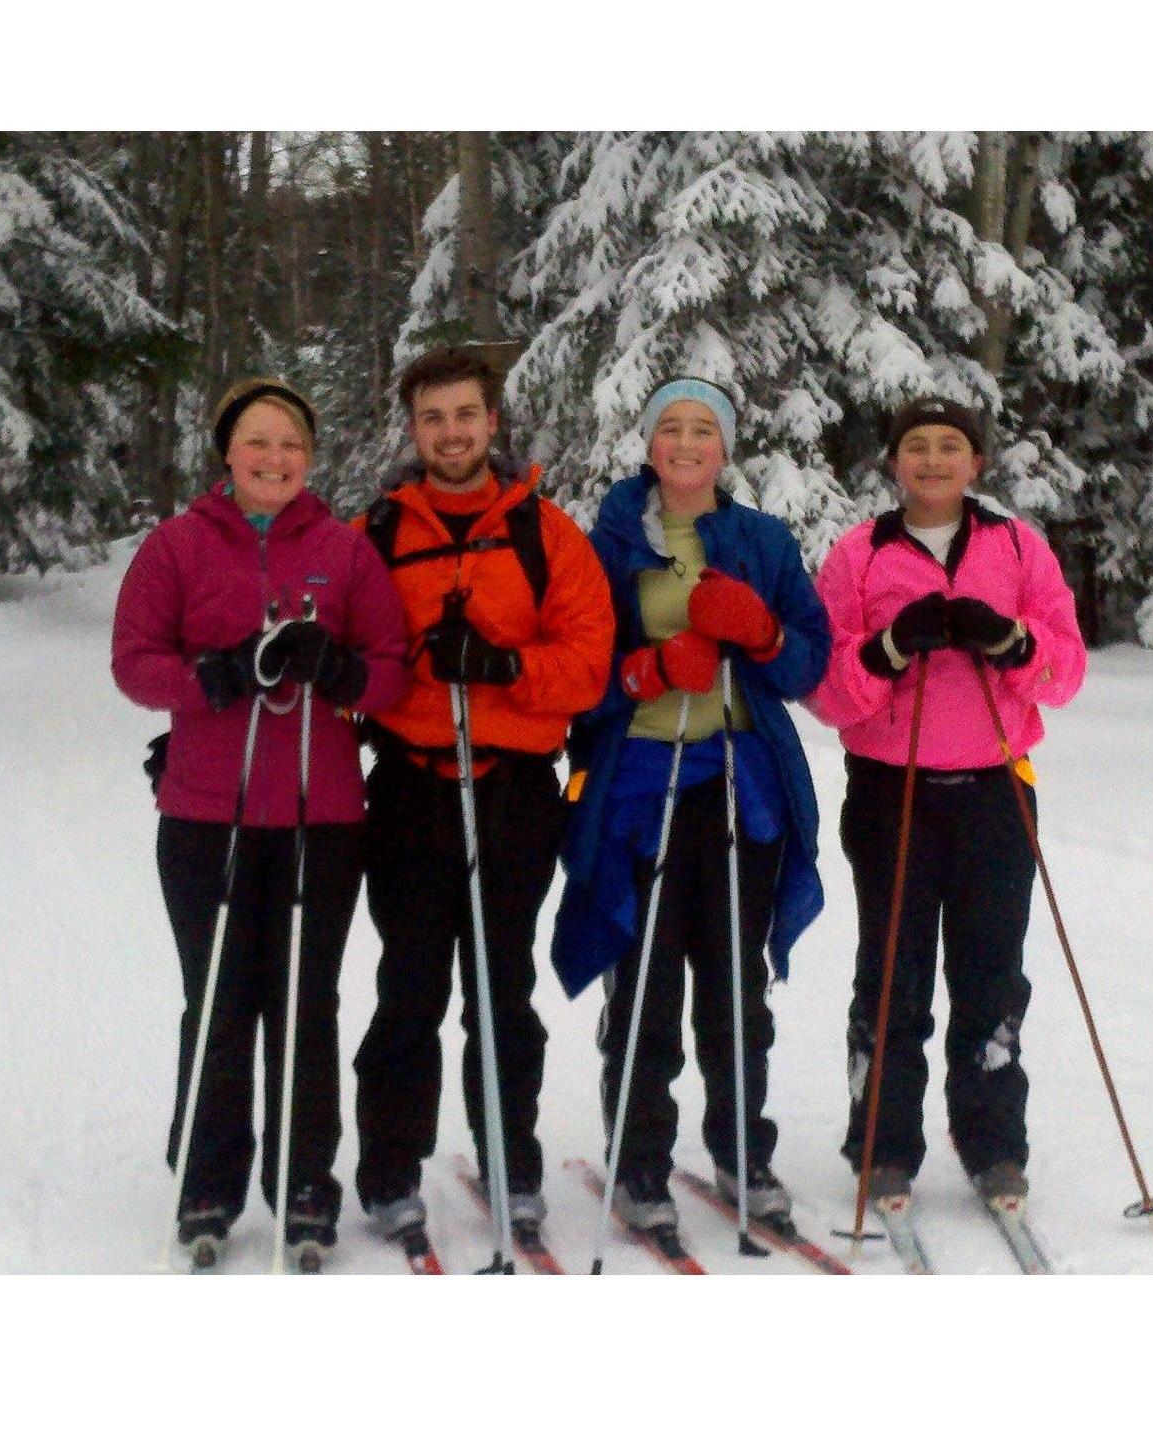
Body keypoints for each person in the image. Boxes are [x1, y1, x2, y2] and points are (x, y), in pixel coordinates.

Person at [112, 377, 409, 1262]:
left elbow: (390, 667)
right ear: (227, 451)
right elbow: (133, 663)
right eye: (257, 442)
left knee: (303, 1000)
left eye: (291, 444)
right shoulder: (176, 545)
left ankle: (304, 1183)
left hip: (320, 817)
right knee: (218, 998)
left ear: (309, 458)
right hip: (209, 814)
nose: (274, 459)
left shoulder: (345, 551)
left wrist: (341, 670)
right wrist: (212, 674)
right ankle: (207, 1180)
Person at [551, 377, 830, 1230]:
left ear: (725, 447)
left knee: (735, 989)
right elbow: (571, 668)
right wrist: (637, 672)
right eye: (667, 427)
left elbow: (808, 662)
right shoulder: (601, 543)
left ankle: (743, 1150)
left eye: (702, 428)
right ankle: (639, 1163)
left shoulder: (759, 540)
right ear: (645, 443)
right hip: (639, 786)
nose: (683, 442)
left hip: (740, 790)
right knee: (642, 987)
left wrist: (764, 633)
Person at [351, 347, 614, 1243]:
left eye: (466, 415)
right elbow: (354, 662)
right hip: (412, 788)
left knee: (502, 986)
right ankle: (390, 1166)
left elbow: (587, 662)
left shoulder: (546, 532)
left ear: (492, 422)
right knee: (409, 986)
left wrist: (504, 665)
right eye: (433, 418)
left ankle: (511, 1158)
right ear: (413, 428)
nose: (451, 433)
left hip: (511, 790)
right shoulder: (378, 532)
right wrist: (410, 669)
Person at [809, 396, 1087, 1204]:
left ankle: (993, 1144)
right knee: (892, 973)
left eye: (950, 447)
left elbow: (1063, 673)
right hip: (890, 790)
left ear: (976, 464)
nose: (932, 461)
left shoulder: (1016, 547)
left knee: (990, 974)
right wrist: (890, 649)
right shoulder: (859, 554)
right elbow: (827, 690)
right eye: (916, 447)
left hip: (995, 787)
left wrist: (1010, 643)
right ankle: (882, 1144)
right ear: (892, 462)